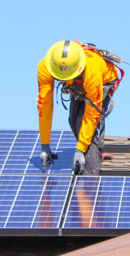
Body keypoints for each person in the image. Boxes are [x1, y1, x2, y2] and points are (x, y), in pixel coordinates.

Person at [37, 40, 123, 176]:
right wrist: (45, 145)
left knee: (85, 124)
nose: (62, 81)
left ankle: (89, 176)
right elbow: (44, 107)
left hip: (103, 81)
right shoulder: (46, 67)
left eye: (65, 79)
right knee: (74, 120)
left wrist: (80, 150)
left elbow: (91, 116)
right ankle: (90, 153)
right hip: (78, 83)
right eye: (59, 78)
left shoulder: (91, 73)